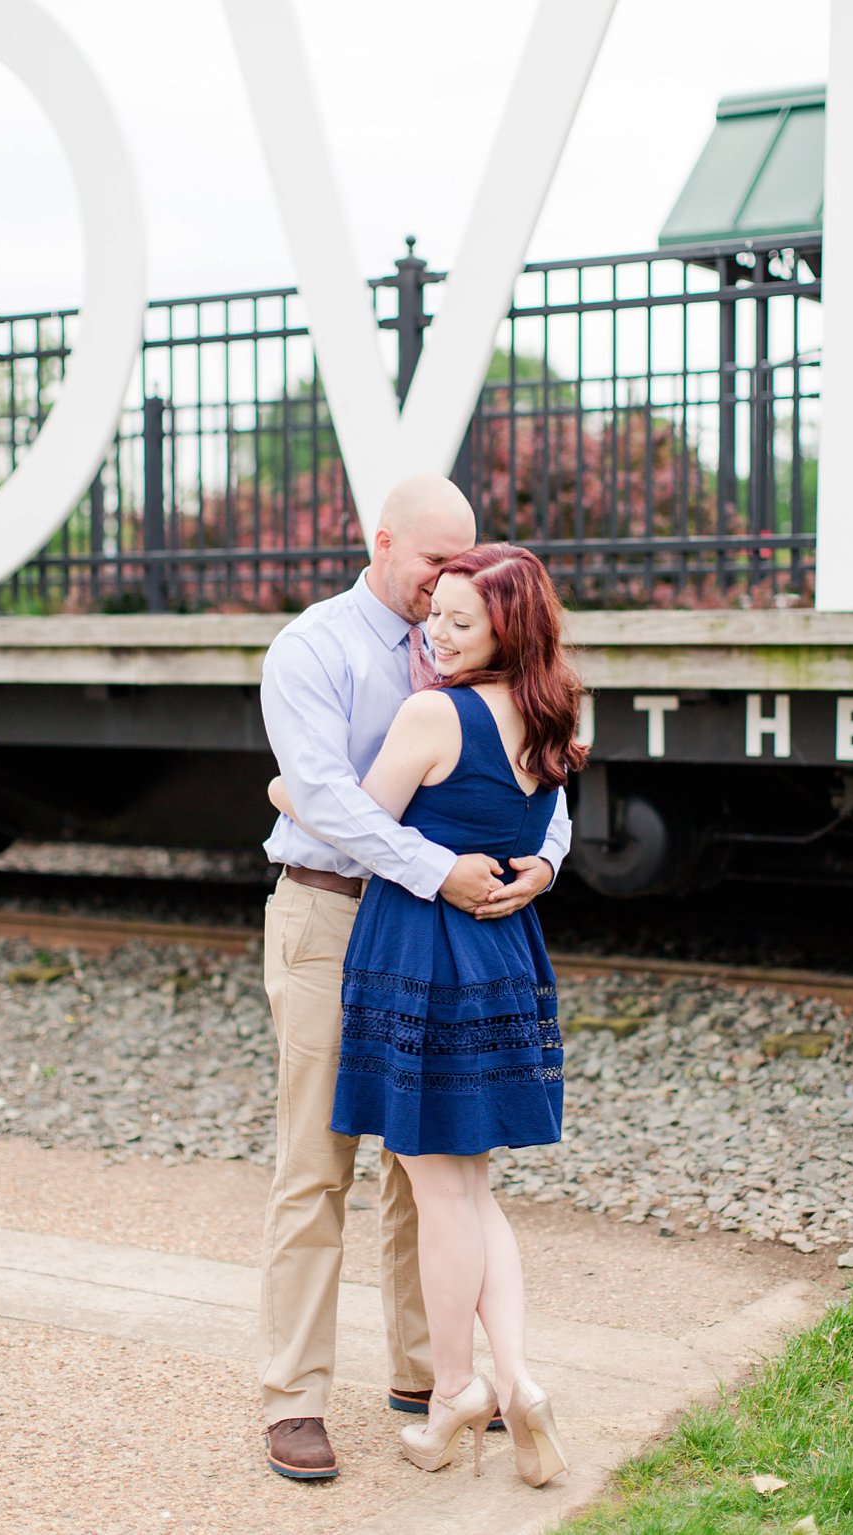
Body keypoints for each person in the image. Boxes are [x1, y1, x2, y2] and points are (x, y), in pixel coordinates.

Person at [257, 476, 569, 1483]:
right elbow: (330, 806)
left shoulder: (470, 644)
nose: (449, 582)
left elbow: (544, 791)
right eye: (434, 563)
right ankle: (296, 1398)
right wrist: (440, 867)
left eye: (462, 564)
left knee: (420, 1169)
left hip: (438, 933)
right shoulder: (313, 648)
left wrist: (544, 863)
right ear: (381, 541)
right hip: (331, 913)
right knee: (317, 1164)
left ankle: (428, 1376)